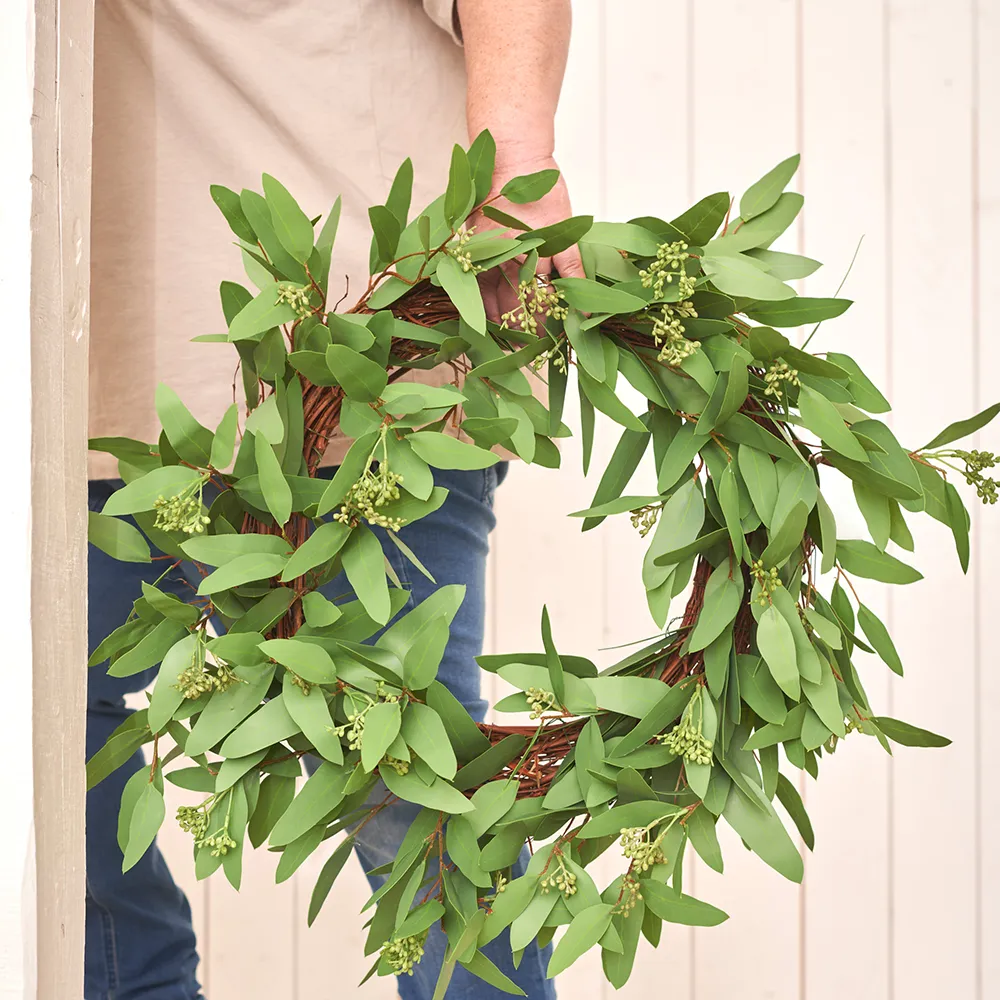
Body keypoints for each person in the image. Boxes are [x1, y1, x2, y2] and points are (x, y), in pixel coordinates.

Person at [86, 1, 585, 998]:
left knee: (410, 787)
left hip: (354, 323)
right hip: (71, 347)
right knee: (46, 747)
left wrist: (516, 164)